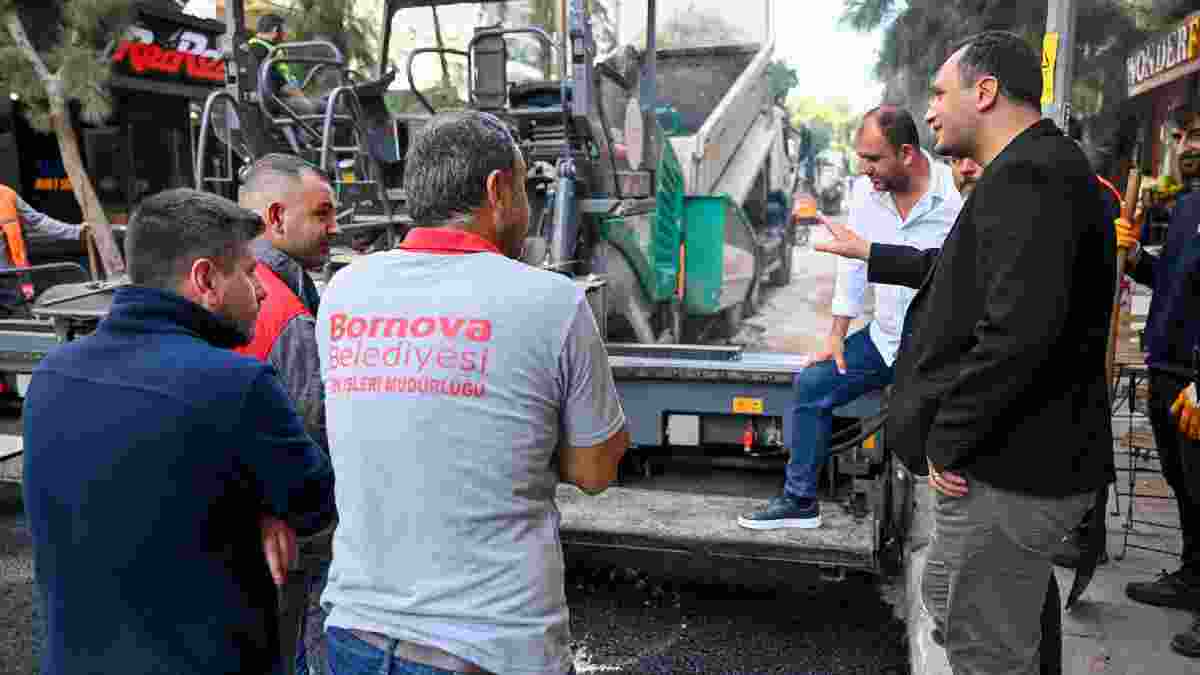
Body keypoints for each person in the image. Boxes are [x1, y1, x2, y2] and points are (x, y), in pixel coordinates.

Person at [816, 31, 1114, 673]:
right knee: (956, 604)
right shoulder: (1034, 173)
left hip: (1010, 470)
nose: (929, 111)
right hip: (1010, 462)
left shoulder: (1032, 178)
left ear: (985, 92)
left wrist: (947, 441)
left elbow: (1019, 334)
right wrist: (870, 254)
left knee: (987, 650)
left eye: (939, 93)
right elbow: (961, 274)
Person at [316, 111, 629, 675]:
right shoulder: (551, 301)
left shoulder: (344, 291)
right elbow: (595, 471)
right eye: (525, 187)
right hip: (490, 645)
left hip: (357, 633)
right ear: (497, 189)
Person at [22, 187, 336, 675]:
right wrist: (266, 506)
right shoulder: (236, 384)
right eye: (251, 274)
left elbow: (130, 487)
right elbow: (316, 502)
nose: (260, 290)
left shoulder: (53, 374)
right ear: (205, 279)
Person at [737, 106, 960, 530]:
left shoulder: (955, 197)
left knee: (929, 450)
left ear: (907, 153)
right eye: (862, 159)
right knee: (814, 382)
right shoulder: (864, 194)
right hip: (886, 340)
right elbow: (854, 266)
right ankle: (800, 500)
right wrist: (836, 335)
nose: (864, 169)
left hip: (935, 350)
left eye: (874, 160)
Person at [237, 154, 340, 675]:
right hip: (287, 532)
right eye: (322, 214)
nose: (334, 227)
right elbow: (308, 440)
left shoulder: (233, 281)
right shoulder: (285, 313)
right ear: (276, 218)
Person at [1114, 102, 1200, 658]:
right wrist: (1129, 254)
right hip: (1167, 369)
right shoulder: (1190, 206)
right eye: (1188, 135)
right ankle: (1193, 578)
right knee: (1186, 489)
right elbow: (1167, 281)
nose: (1192, 145)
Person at [0, 183, 90, 315]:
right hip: (10, 280)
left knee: (21, 322)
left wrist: (75, 231)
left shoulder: (5, 194)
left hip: (11, 281)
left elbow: (38, 221)